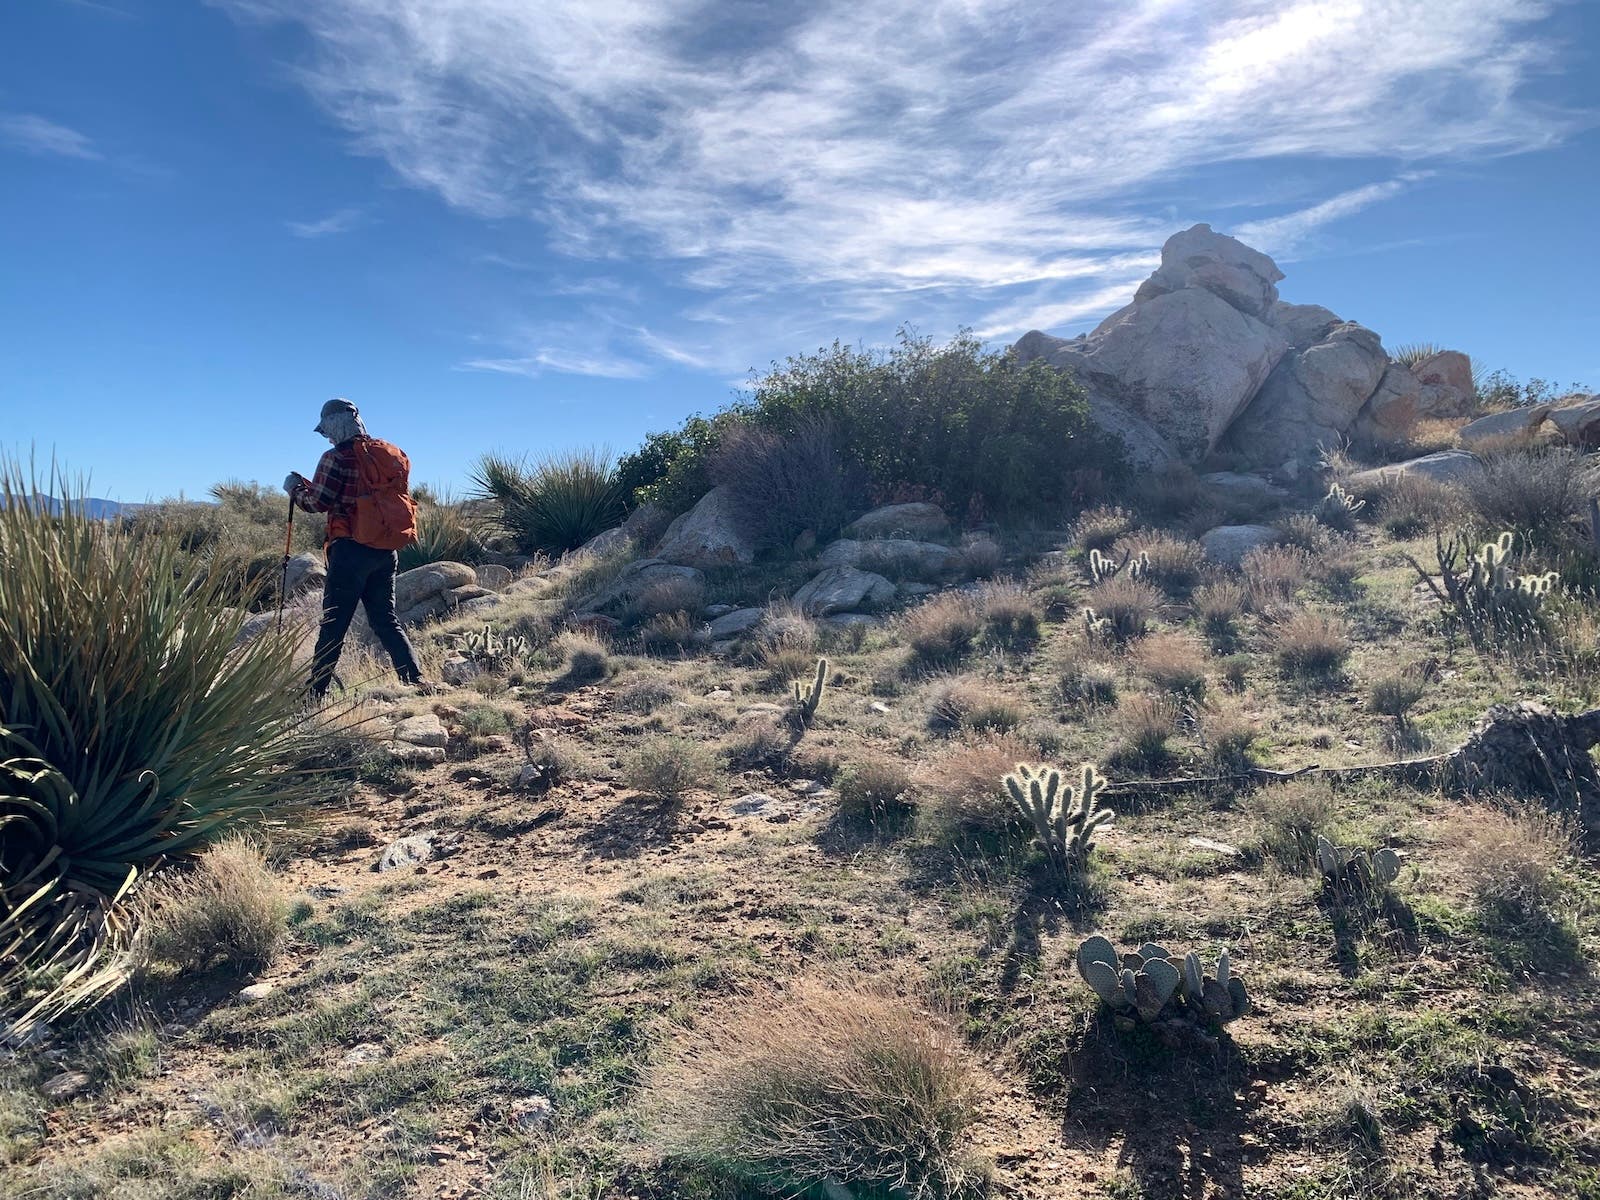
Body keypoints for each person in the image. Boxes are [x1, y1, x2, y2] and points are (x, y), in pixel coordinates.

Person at [284, 398, 431, 698]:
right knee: (385, 618)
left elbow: (318, 502)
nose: (326, 437)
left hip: (350, 551)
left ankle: (315, 694)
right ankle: (414, 679)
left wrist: (295, 489)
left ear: (335, 425)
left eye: (326, 430)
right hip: (385, 548)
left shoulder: (335, 458)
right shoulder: (388, 454)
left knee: (334, 623)